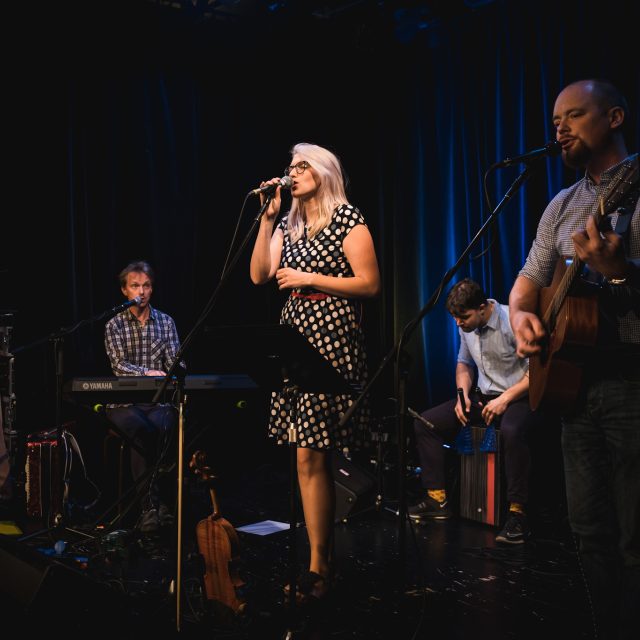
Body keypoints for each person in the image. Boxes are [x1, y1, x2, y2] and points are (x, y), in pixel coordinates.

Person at [509, 79, 639, 640]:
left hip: (632, 381)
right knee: (588, 532)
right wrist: (522, 319)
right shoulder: (561, 204)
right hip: (573, 389)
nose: (559, 129)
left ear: (614, 117)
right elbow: (526, 285)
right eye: (555, 120)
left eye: (574, 115)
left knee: (636, 537)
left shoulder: (635, 187)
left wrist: (622, 273)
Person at [249, 142, 380, 601]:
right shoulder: (289, 223)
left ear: (324, 172)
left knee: (314, 452)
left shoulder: (348, 219)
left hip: (331, 337)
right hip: (294, 337)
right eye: (291, 166)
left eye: (302, 165)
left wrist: (308, 278)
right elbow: (259, 275)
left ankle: (319, 565)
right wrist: (267, 219)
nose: (293, 172)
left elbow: (370, 283)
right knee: (305, 456)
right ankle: (319, 563)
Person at [409, 278, 536, 544]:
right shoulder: (466, 327)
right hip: (484, 397)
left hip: (518, 396)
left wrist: (506, 398)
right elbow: (464, 363)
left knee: (512, 431)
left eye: (463, 317)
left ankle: (518, 513)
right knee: (425, 422)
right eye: (455, 318)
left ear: (482, 308)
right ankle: (437, 499)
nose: (458, 323)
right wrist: (462, 395)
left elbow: (537, 373)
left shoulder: (512, 321)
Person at [104, 260, 184, 534]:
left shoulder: (166, 322)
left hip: (157, 401)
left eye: (146, 285)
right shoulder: (114, 324)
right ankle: (149, 507)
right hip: (124, 403)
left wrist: (177, 370)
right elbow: (119, 366)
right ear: (124, 290)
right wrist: (148, 372)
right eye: (135, 286)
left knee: (168, 425)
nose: (142, 291)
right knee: (139, 429)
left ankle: (162, 505)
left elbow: (174, 361)